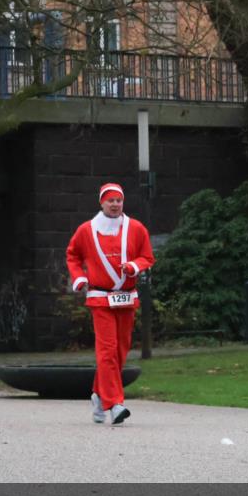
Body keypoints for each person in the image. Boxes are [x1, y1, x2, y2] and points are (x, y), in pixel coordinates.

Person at [66, 182, 154, 426]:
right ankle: (115, 404)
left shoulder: (136, 228)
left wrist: (135, 266)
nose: (115, 205)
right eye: (110, 200)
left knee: (120, 350)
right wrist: (80, 277)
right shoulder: (86, 230)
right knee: (107, 349)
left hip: (126, 298)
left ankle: (97, 394)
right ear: (101, 202)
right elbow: (73, 254)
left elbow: (147, 256)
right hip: (100, 299)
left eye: (119, 200)